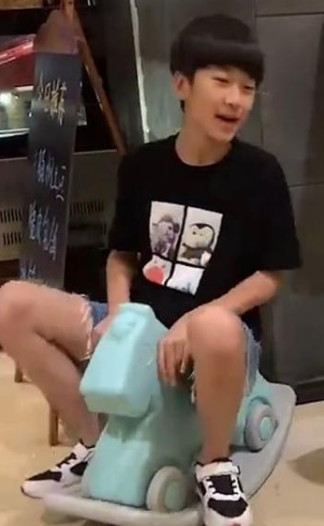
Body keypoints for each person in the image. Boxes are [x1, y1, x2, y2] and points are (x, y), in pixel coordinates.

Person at [0, 14, 301, 526]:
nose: (235, 99)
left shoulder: (260, 173)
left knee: (213, 326)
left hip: (221, 340)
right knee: (11, 303)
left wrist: (195, 319)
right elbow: (122, 255)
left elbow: (273, 275)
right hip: (142, 324)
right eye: (222, 81)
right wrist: (121, 316)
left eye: (247, 88)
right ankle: (94, 442)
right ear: (182, 84)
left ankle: (214, 464)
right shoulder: (143, 166)